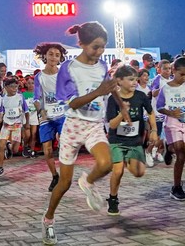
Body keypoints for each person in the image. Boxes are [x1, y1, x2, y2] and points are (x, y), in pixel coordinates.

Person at [41, 22, 124, 246]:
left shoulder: (102, 65)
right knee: (64, 183)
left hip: (95, 125)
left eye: (103, 47)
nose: (99, 52)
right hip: (73, 126)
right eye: (95, 47)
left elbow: (110, 86)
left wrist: (122, 106)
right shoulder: (69, 68)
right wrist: (98, 92)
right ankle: (48, 220)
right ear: (81, 44)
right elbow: (73, 103)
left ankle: (87, 182)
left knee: (107, 163)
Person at [105, 65, 156, 215]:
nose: (135, 82)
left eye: (136, 79)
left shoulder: (140, 96)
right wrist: (122, 113)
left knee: (139, 172)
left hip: (135, 140)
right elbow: (112, 124)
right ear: (119, 81)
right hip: (117, 140)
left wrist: (153, 130)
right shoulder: (113, 98)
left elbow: (151, 113)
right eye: (131, 79)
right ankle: (113, 199)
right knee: (118, 171)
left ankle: (128, 158)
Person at [155, 57, 185, 201]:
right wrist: (170, 113)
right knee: (180, 152)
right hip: (172, 123)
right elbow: (159, 107)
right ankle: (177, 187)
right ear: (174, 71)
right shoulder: (166, 88)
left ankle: (167, 147)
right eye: (181, 74)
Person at [33, 42, 68, 192]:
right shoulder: (39, 77)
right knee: (47, 150)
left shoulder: (64, 75)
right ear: (44, 56)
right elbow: (36, 98)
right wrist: (40, 110)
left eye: (57, 55)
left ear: (60, 58)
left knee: (65, 146)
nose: (54, 57)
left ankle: (66, 175)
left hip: (63, 115)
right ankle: (55, 176)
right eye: (51, 54)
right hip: (46, 116)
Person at [0, 77, 29, 176]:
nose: (14, 88)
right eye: (12, 86)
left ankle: (9, 146)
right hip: (6, 124)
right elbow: (0, 112)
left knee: (15, 150)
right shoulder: (2, 99)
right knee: (1, 146)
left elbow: (26, 111)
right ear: (6, 87)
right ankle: (0, 168)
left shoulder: (20, 97)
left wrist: (27, 123)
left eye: (16, 86)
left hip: (17, 124)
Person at [148, 60, 173, 163]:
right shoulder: (157, 79)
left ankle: (159, 153)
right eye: (165, 69)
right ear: (159, 70)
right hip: (158, 112)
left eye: (169, 68)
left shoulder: (172, 80)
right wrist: (163, 88)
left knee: (165, 137)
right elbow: (153, 93)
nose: (168, 71)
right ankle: (148, 152)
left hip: (167, 112)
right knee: (156, 137)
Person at [21, 73, 39, 157]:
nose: (31, 85)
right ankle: (25, 147)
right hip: (25, 116)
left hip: (34, 116)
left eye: (32, 83)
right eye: (29, 83)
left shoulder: (37, 94)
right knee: (27, 135)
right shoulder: (23, 95)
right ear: (26, 84)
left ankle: (32, 150)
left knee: (34, 134)